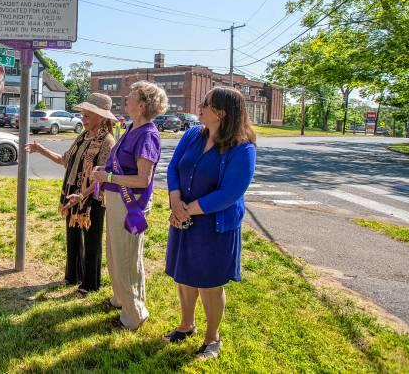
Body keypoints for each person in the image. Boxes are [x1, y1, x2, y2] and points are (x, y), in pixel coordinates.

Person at [164, 87, 256, 360]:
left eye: (206, 103)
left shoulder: (242, 148)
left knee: (209, 284)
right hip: (183, 216)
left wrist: (188, 210)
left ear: (222, 113)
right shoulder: (193, 134)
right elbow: (173, 168)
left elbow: (231, 192)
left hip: (214, 224)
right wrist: (175, 200)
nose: (199, 106)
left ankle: (212, 338)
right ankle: (186, 325)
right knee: (184, 276)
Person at [91, 81, 167, 330]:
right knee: (115, 254)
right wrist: (105, 170)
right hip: (116, 201)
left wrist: (109, 178)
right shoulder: (133, 128)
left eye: (131, 96)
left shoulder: (147, 135)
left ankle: (134, 315)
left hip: (129, 205)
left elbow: (142, 179)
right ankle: (120, 299)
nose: (126, 98)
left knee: (128, 258)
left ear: (142, 105)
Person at [25, 93, 116, 295]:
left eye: (87, 116)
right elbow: (64, 160)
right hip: (71, 194)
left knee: (92, 241)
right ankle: (73, 276)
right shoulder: (83, 136)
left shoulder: (107, 141)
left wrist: (83, 195)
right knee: (73, 237)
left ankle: (90, 284)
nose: (82, 119)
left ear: (101, 117)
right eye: (82, 115)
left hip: (91, 199)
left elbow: (103, 176)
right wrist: (40, 149)